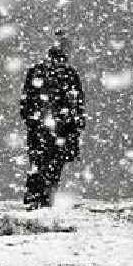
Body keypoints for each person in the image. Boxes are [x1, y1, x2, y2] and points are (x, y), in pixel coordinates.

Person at [19, 30, 85, 208]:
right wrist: (74, 126)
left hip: (44, 130)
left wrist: (34, 121)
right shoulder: (69, 74)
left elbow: (26, 104)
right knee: (52, 167)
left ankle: (36, 200)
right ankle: (43, 199)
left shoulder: (37, 72)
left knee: (40, 167)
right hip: (58, 131)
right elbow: (78, 106)